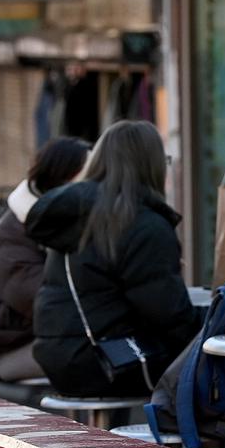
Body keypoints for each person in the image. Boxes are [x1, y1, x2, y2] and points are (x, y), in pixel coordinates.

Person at [27, 120, 202, 397]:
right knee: (212, 355)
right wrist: (210, 326)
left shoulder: (77, 214)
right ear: (152, 164)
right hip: (109, 363)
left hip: (61, 360)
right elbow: (168, 314)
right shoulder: (142, 224)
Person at [0, 137, 90, 382]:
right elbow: (39, 300)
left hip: (54, 338)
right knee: (103, 358)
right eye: (86, 177)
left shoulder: (71, 220)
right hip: (11, 348)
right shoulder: (16, 229)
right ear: (63, 178)